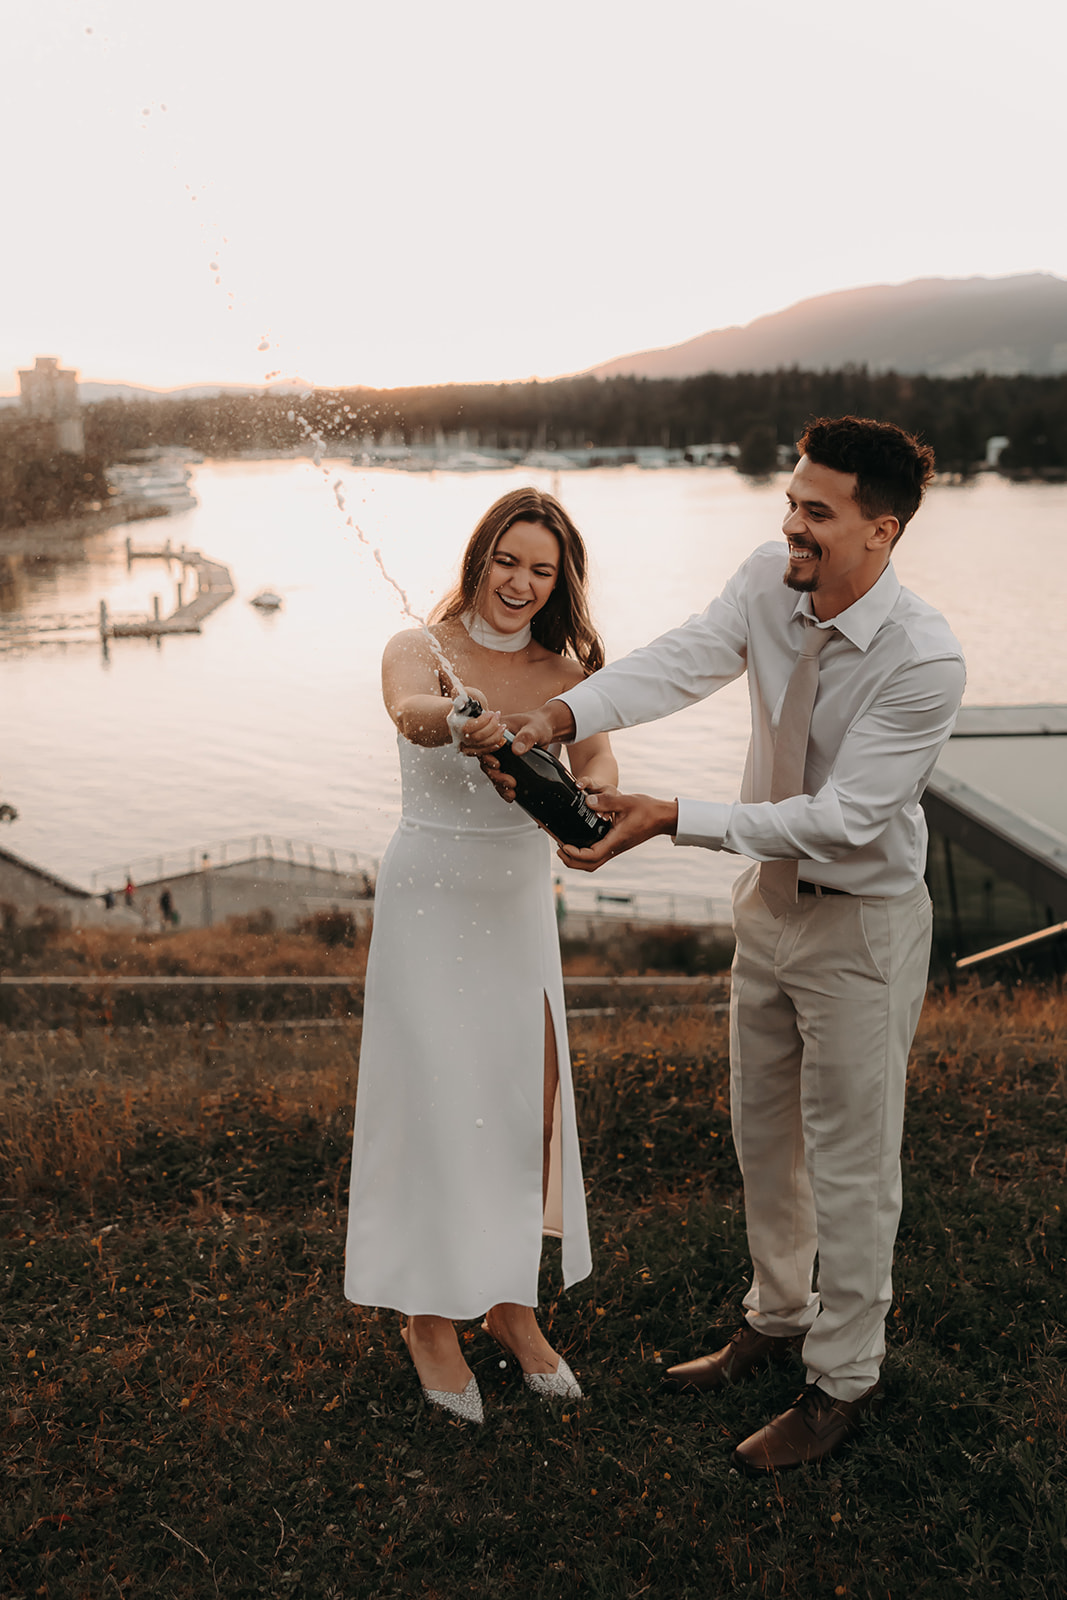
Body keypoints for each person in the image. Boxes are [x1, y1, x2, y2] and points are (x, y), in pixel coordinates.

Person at [495, 417, 966, 1470]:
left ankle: (840, 1379)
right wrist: (559, 717)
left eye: (815, 510)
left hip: (861, 924)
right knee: (760, 1132)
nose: (787, 522)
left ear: (878, 532)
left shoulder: (923, 658)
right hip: (768, 905)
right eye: (791, 499)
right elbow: (680, 661)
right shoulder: (767, 576)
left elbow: (845, 818)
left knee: (850, 1163)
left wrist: (672, 814)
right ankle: (776, 1311)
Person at [344, 487, 617, 1424]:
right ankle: (427, 1317)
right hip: (428, 892)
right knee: (431, 1100)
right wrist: (462, 726)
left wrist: (579, 808)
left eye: (541, 569)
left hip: (515, 900)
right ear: (479, 556)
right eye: (508, 560)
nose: (520, 583)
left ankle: (509, 1304)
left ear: (559, 580)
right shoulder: (418, 648)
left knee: (518, 1102)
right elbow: (408, 712)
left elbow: (600, 773)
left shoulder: (568, 668)